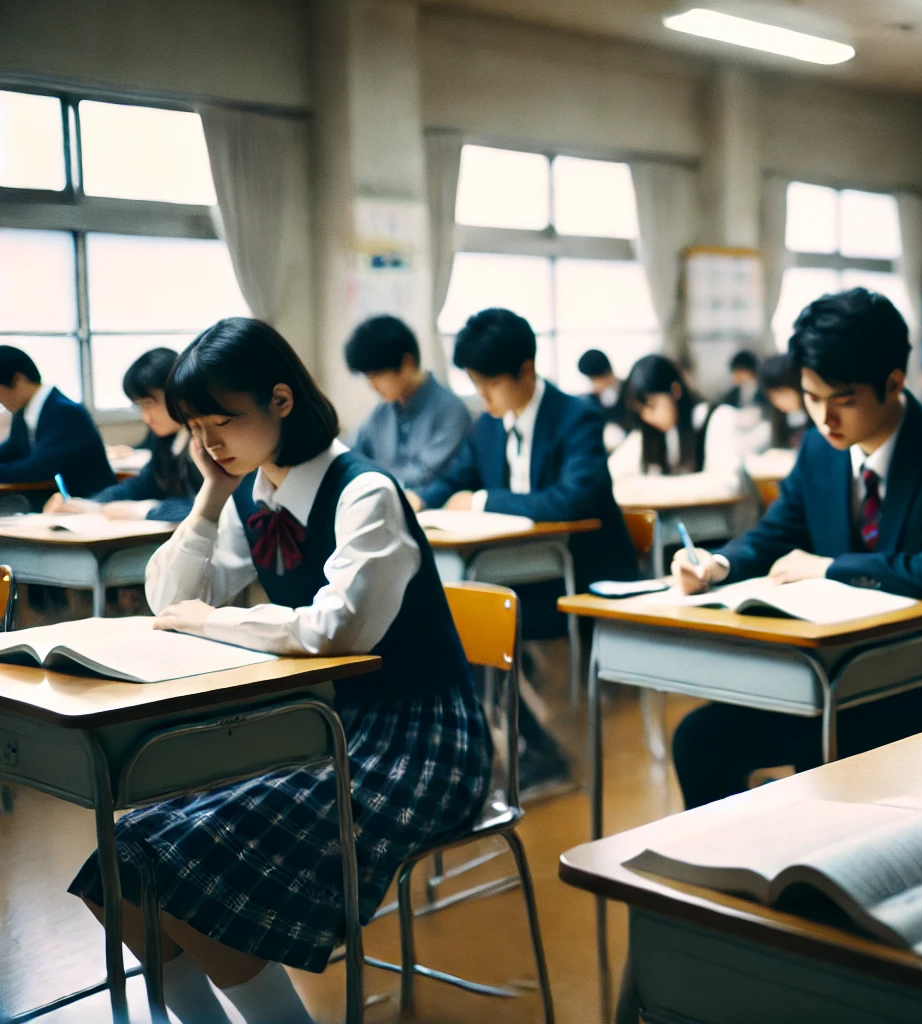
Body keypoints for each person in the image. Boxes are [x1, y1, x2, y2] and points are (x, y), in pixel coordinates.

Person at [65, 317, 489, 1024]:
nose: (207, 443)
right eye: (195, 427)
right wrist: (209, 496)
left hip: (421, 740)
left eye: (220, 422)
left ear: (281, 402)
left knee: (186, 873)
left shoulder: (364, 492)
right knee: (116, 869)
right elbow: (169, 599)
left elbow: (333, 630)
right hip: (322, 726)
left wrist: (215, 621)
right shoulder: (255, 495)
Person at [667, 288, 922, 807]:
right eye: (811, 398)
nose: (824, 419)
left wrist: (829, 567)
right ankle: (736, 881)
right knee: (698, 741)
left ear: (894, 384)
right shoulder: (820, 448)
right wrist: (717, 564)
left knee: (832, 756)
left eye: (843, 400)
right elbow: (777, 530)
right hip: (839, 678)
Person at [418, 309, 638, 791]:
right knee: (444, 618)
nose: (481, 396)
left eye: (488, 384)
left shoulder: (576, 417)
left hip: (578, 574)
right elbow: (456, 477)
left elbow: (571, 499)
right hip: (515, 571)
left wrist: (480, 501)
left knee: (461, 622)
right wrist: (419, 500)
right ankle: (514, 746)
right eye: (474, 383)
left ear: (526, 370)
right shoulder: (489, 424)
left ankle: (536, 750)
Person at [46, 347, 200, 521]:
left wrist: (144, 510)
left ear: (177, 394)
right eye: (140, 407)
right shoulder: (164, 438)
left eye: (148, 404)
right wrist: (90, 504)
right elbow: (144, 484)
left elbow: (211, 508)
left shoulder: (206, 441)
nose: (145, 418)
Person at [344, 314, 471, 492]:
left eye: (375, 375)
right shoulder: (380, 413)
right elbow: (353, 456)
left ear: (407, 362)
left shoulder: (450, 410)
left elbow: (429, 474)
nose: (371, 386)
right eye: (367, 377)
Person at [608, 353, 747, 502]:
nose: (647, 417)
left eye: (653, 406)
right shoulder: (652, 432)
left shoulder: (718, 418)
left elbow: (725, 485)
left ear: (675, 391)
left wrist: (651, 487)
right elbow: (615, 476)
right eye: (640, 411)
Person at [0, 345, 112, 494]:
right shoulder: (24, 411)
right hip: (56, 502)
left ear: (19, 380)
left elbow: (37, 469)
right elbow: (11, 450)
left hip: (91, 502)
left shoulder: (65, 412)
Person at [756, 352, 809, 451]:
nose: (778, 401)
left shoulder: (815, 418)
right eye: (772, 396)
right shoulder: (779, 417)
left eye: (782, 393)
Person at [577, 348, 626, 451]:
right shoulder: (591, 401)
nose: (594, 386)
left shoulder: (629, 393)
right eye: (591, 380)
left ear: (607, 372)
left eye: (595, 379)